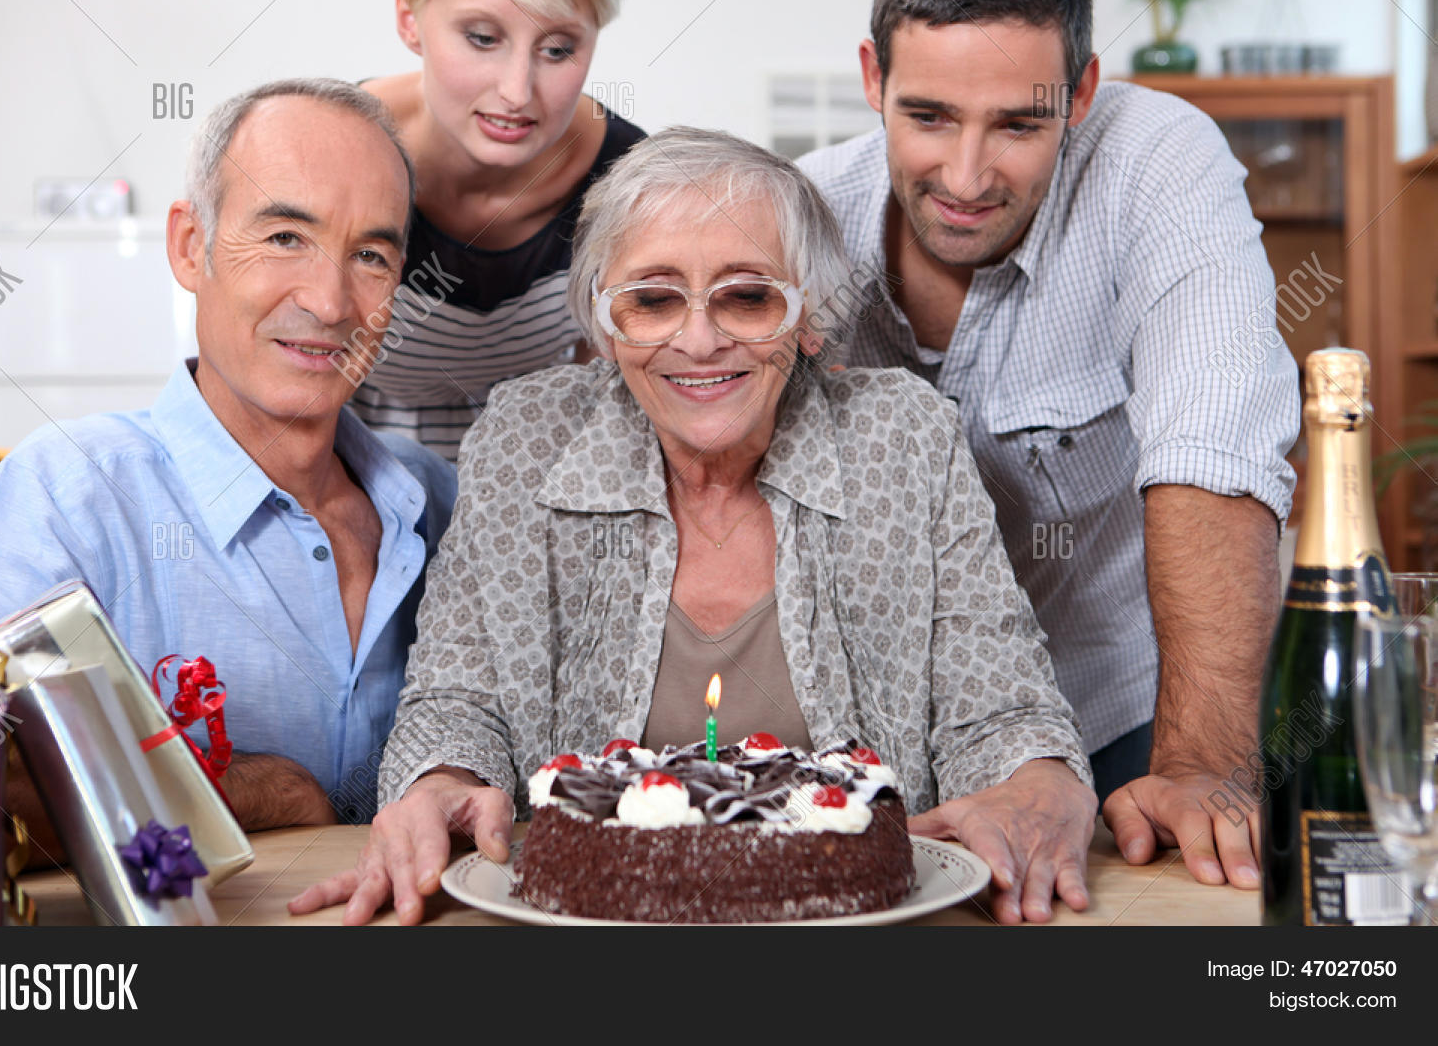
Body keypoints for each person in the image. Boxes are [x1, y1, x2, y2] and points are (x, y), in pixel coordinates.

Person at [290, 126, 1097, 927]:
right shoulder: (526, 440)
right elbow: (457, 703)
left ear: (809, 318)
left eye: (749, 296)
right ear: (606, 325)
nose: (701, 340)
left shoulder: (904, 440)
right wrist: (440, 786)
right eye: (652, 300)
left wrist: (1037, 778)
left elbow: (1000, 708)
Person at [797, 0, 1299, 888]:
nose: (967, 176)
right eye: (929, 115)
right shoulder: (808, 212)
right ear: (873, 78)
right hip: (877, 747)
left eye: (1019, 126)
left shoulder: (1157, 161)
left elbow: (1213, 449)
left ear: (1081, 92)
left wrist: (1200, 766)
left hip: (1131, 722)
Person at [0, 79, 458, 831]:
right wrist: (269, 791)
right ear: (190, 245)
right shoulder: (66, 495)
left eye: (371, 255)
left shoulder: (437, 499)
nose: (330, 301)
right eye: (285, 238)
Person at [349, 0, 646, 460]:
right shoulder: (334, 154)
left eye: (557, 49)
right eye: (483, 39)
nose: (516, 92)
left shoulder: (626, 181)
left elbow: (608, 406)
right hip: (344, 459)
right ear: (409, 18)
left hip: (539, 464)